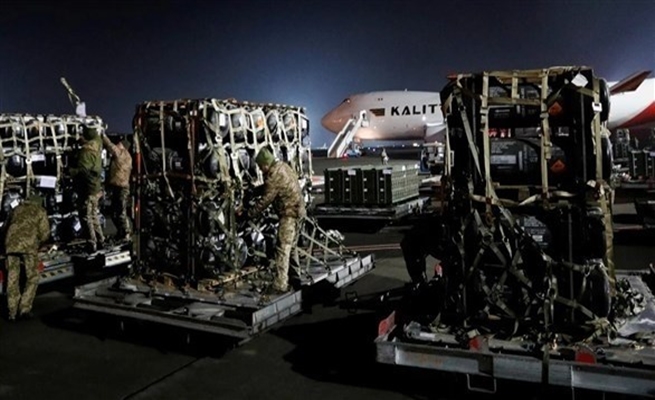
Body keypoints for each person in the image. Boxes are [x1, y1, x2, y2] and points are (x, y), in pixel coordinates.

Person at [245, 147, 306, 295]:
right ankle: (295, 278)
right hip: (299, 211)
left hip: (289, 214)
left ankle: (280, 284)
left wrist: (249, 214)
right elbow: (272, 187)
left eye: (261, 167)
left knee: (282, 248)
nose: (261, 170)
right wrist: (255, 191)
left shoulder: (273, 175)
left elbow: (266, 200)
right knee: (291, 247)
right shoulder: (283, 166)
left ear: (266, 164)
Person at [4, 194, 50, 321]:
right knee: (33, 276)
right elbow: (45, 233)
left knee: (12, 277)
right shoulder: (40, 211)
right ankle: (24, 308)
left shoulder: (16, 209)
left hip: (11, 244)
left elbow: (6, 227)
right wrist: (39, 242)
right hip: (28, 245)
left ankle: (12, 311)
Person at [70, 124, 105, 252]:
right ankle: (101, 239)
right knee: (94, 215)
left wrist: (72, 171)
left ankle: (92, 242)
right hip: (96, 187)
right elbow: (97, 137)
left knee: (86, 217)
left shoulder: (85, 152)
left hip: (88, 189)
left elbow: (83, 170)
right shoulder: (97, 145)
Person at [101, 133, 132, 242]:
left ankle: (126, 233)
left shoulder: (122, 154)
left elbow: (110, 145)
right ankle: (121, 232)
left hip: (121, 188)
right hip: (118, 187)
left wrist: (103, 135)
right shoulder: (127, 156)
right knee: (115, 211)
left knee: (121, 212)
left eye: (119, 144)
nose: (117, 144)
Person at [400, 213, 444, 286]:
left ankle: (420, 281)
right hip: (414, 246)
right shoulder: (427, 234)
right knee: (417, 273)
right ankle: (419, 282)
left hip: (419, 243)